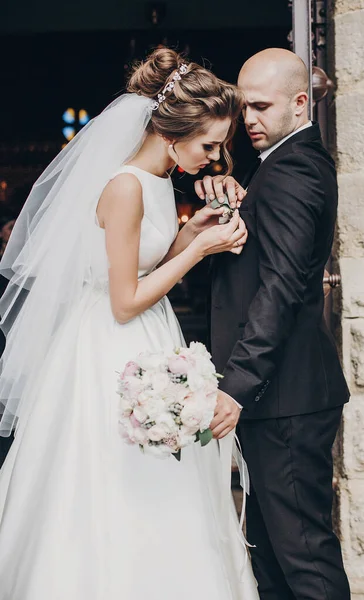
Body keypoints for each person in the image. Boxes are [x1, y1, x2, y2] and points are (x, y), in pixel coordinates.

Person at [0, 48, 258, 599]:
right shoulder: (124, 187)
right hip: (107, 345)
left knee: (166, 474)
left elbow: (147, 262)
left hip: (150, 337)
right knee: (111, 477)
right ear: (172, 134)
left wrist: (192, 234)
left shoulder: (160, 180)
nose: (215, 158)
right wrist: (202, 251)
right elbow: (123, 299)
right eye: (208, 145)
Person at [196, 48, 351, 600]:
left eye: (261, 107)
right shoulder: (281, 166)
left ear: (301, 103)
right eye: (245, 108)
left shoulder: (293, 170)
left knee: (304, 558)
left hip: (285, 397)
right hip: (280, 396)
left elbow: (281, 287)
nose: (249, 120)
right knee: (274, 560)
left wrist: (236, 385)